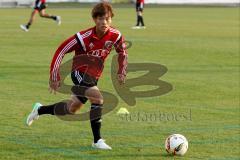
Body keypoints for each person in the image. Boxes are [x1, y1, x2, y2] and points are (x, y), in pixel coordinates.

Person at [26, 2, 128, 150]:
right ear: (94, 19)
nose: (104, 22)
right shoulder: (83, 37)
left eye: (107, 18)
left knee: (71, 108)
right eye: (100, 19)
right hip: (79, 72)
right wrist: (54, 74)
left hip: (94, 76)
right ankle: (97, 140)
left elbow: (122, 52)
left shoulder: (116, 35)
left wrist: (121, 71)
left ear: (111, 19)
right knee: (97, 98)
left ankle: (39, 110)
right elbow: (61, 50)